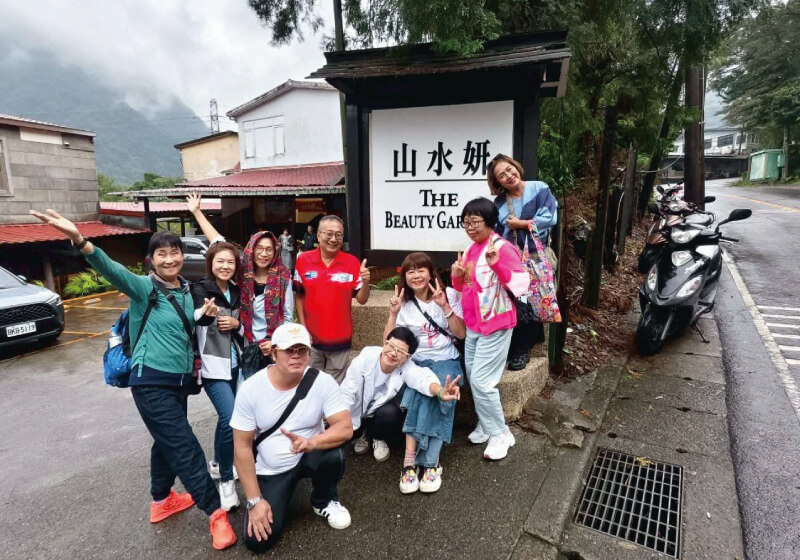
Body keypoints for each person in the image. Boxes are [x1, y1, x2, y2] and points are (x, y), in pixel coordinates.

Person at [29, 208, 237, 551]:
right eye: (162, 254)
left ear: (182, 256)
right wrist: (79, 239)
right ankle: (215, 513)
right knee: (184, 445)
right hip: (150, 381)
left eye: (174, 252)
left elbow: (188, 324)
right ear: (151, 261)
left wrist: (204, 316)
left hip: (179, 382)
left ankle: (161, 500)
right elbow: (111, 269)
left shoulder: (186, 290)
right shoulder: (143, 288)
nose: (170, 259)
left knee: (166, 440)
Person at [231, 323, 353, 554]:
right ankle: (282, 492)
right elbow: (242, 447)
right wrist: (255, 501)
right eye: (289, 349)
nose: (296, 355)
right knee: (257, 542)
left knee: (333, 452)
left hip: (309, 454)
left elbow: (345, 428)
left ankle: (324, 500)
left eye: (302, 349)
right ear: (274, 352)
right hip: (272, 467)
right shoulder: (250, 389)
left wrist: (312, 443)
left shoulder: (322, 381)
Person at [450, 198, 529, 461]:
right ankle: (486, 424)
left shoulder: (503, 248)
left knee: (483, 382)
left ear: (490, 221)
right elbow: (464, 288)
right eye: (466, 222)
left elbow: (521, 287)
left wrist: (497, 264)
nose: (470, 227)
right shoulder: (472, 249)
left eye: (475, 222)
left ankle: (500, 433)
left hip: (495, 325)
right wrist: (456, 275)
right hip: (474, 326)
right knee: (475, 379)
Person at [382, 252, 466, 493]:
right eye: (410, 271)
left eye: (421, 270)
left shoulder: (448, 294)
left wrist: (445, 307)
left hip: (446, 359)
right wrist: (394, 313)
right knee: (421, 391)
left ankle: (429, 463)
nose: (416, 275)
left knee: (443, 394)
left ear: (431, 272)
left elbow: (460, 334)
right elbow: (388, 344)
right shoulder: (404, 304)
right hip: (416, 361)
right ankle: (411, 461)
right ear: (405, 277)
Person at [187, 194, 293, 377]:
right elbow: (218, 242)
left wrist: (277, 342)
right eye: (259, 248)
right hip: (245, 342)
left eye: (269, 249)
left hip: (273, 346)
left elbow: (288, 316)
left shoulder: (283, 276)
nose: (264, 254)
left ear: (276, 251)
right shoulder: (243, 270)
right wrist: (197, 212)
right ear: (251, 249)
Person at [340, 327, 461, 471]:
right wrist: (340, 421)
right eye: (391, 346)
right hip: (353, 413)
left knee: (390, 412)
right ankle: (361, 433)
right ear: (385, 342)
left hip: (376, 415)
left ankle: (376, 437)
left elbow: (422, 379)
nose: (393, 353)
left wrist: (440, 391)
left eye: (401, 352)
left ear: (408, 357)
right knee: (336, 445)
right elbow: (347, 391)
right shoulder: (366, 357)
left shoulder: (406, 367)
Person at [487, 154, 558, 371]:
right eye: (502, 175)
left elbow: (550, 218)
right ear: (497, 182)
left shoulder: (539, 188)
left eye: (509, 170)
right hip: (512, 261)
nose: (509, 176)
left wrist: (522, 223)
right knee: (520, 301)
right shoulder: (498, 204)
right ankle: (524, 343)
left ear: (516, 167)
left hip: (536, 259)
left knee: (531, 301)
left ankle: (521, 350)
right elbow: (496, 232)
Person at [191, 240, 244, 511]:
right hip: (213, 368)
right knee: (231, 419)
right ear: (211, 263)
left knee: (226, 419)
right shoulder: (200, 289)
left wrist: (237, 324)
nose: (225, 266)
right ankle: (225, 478)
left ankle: (215, 463)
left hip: (235, 364)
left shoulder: (235, 290)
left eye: (230, 262)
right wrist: (205, 314)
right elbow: (196, 318)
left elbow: (241, 328)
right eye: (220, 261)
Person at [293, 215, 371, 383]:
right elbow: (299, 296)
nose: (334, 239)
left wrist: (366, 281)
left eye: (339, 235)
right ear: (318, 235)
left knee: (334, 390)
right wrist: (303, 328)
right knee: (310, 387)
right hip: (311, 340)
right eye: (329, 234)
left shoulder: (352, 262)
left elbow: (362, 299)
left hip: (340, 339)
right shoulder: (303, 260)